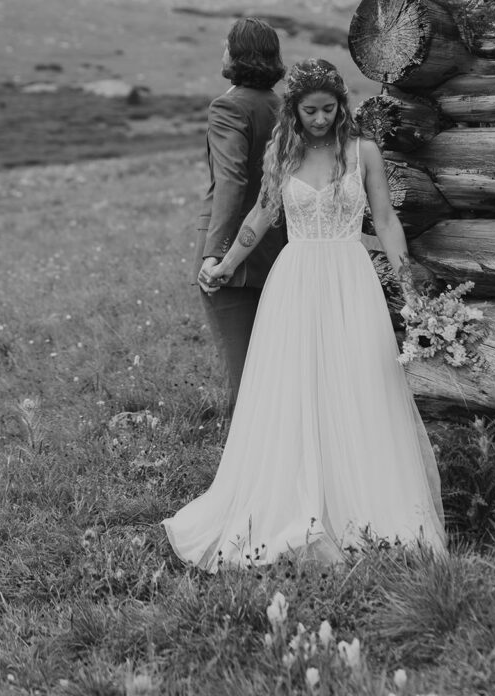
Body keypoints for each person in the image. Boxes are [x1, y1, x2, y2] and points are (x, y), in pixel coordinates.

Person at [165, 58, 445, 570]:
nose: (320, 119)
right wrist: (226, 263)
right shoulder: (285, 154)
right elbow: (260, 216)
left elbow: (383, 219)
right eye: (309, 110)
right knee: (296, 387)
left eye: (329, 108)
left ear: (342, 105)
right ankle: (295, 502)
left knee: (358, 384)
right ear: (293, 111)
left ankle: (363, 506)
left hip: (349, 278)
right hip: (295, 282)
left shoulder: (363, 152)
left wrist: (407, 281)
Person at [194, 17, 285, 409]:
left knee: (241, 370)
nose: (222, 50)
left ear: (237, 54)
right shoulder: (282, 106)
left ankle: (242, 461)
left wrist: (215, 252)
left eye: (226, 44)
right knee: (272, 364)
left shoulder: (229, 106)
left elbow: (231, 180)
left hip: (234, 251)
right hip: (279, 247)